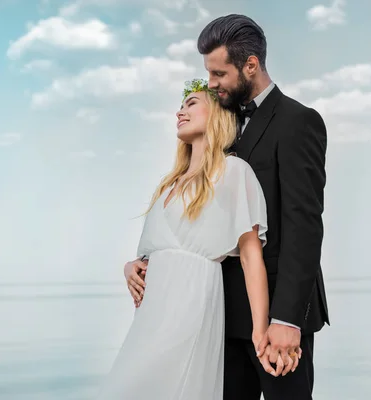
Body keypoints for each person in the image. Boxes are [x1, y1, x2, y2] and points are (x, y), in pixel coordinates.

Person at [124, 14, 330, 400]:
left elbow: (304, 227)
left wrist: (285, 320)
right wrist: (143, 262)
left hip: (275, 317)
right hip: (216, 312)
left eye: (219, 73)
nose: (212, 83)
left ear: (250, 65)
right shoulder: (221, 125)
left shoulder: (298, 122)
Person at [96, 78, 270, 399]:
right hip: (151, 313)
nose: (180, 112)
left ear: (217, 114)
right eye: (180, 106)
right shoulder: (168, 184)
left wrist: (260, 330)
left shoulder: (232, 171)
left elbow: (250, 256)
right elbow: (158, 249)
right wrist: (131, 267)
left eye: (191, 104)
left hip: (192, 301)